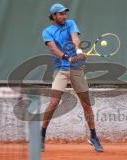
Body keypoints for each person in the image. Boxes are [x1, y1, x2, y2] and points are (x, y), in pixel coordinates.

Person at [41, 3, 103, 152]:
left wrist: (79, 51)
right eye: (61, 14)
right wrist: (67, 57)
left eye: (65, 13)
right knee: (54, 102)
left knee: (86, 103)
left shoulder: (70, 24)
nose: (64, 16)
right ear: (54, 15)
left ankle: (93, 136)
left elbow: (75, 38)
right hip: (60, 69)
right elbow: (53, 48)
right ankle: (41, 135)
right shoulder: (47, 31)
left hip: (77, 69)